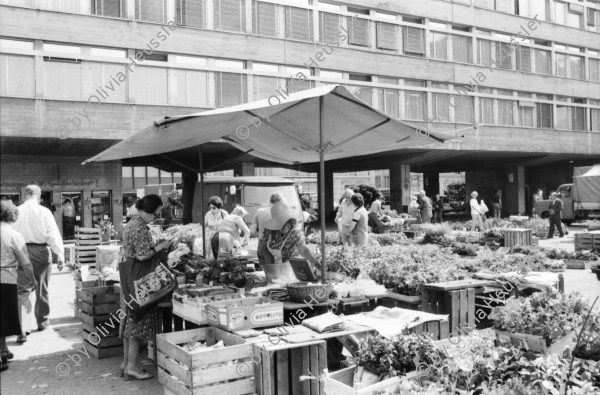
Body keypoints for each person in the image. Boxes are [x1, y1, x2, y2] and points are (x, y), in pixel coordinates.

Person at [119, 194, 171, 380]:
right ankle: (132, 366)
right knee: (136, 321)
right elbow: (142, 256)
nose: (156, 218)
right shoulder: (139, 227)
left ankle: (126, 363)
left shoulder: (132, 223)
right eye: (156, 214)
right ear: (148, 211)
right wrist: (161, 246)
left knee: (128, 322)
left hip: (130, 278)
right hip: (139, 279)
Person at [12, 185, 64, 336]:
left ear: (24, 195)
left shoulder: (17, 211)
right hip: (41, 252)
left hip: (21, 251)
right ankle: (42, 321)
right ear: (39, 195)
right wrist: (59, 255)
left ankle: (23, 327)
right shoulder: (44, 212)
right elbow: (52, 234)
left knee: (22, 291)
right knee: (42, 289)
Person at [1, 201, 37, 372]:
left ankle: (4, 350)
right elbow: (26, 263)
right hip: (6, 280)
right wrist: (33, 280)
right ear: (12, 215)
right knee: (4, 316)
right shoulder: (14, 235)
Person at [261, 203, 322, 271]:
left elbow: (304, 250)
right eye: (284, 223)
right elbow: (264, 248)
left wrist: (314, 262)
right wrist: (270, 267)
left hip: (291, 269)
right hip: (275, 268)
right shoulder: (269, 231)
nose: (288, 225)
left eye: (288, 222)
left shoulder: (294, 233)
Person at [251, 192, 285, 265]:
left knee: (264, 272)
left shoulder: (259, 211)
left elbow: (252, 231)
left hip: (261, 244)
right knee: (276, 272)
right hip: (275, 246)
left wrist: (261, 231)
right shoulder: (281, 212)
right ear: (280, 201)